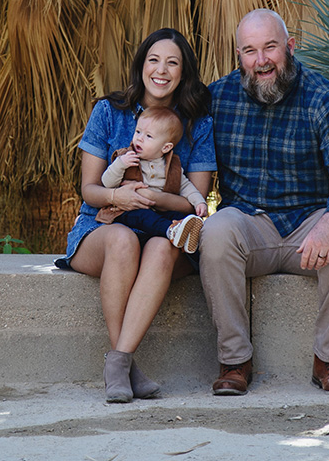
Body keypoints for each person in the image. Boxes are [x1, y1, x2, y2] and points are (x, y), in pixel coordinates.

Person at [201, 9, 329, 396]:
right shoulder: (218, 97)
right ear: (239, 55)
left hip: (308, 230)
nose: (260, 61)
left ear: (290, 47)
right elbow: (176, 147)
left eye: (270, 48)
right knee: (216, 230)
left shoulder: (323, 95)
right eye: (249, 51)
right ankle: (234, 362)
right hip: (249, 224)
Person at [55, 28, 216, 403]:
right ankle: (123, 363)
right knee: (124, 240)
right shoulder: (109, 112)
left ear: (184, 72)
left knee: (161, 248)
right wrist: (119, 196)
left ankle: (119, 363)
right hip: (103, 226)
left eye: (172, 63)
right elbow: (90, 191)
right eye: (153, 60)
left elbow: (194, 199)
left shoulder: (197, 124)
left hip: (163, 231)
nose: (161, 70)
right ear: (141, 65)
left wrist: (150, 197)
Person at [96, 106, 207, 253]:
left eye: (148, 136)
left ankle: (186, 234)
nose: (139, 138)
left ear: (166, 147)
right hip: (127, 211)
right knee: (145, 216)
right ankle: (171, 231)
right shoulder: (126, 157)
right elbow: (107, 183)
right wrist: (120, 164)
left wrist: (199, 201)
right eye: (138, 132)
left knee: (176, 216)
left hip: (157, 211)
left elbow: (186, 186)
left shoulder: (171, 166)